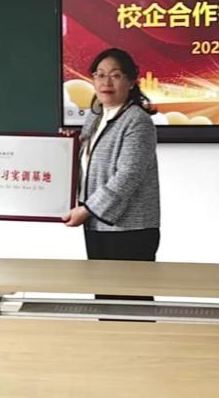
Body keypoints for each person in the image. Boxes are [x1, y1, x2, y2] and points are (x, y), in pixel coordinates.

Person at [62, 48, 161, 274]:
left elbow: (129, 175)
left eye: (115, 75)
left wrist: (88, 209)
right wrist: (66, 147)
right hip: (97, 223)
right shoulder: (96, 116)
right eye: (100, 75)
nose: (106, 82)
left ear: (131, 82)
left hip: (129, 229)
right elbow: (87, 163)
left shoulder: (137, 121)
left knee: (128, 293)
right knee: (102, 290)